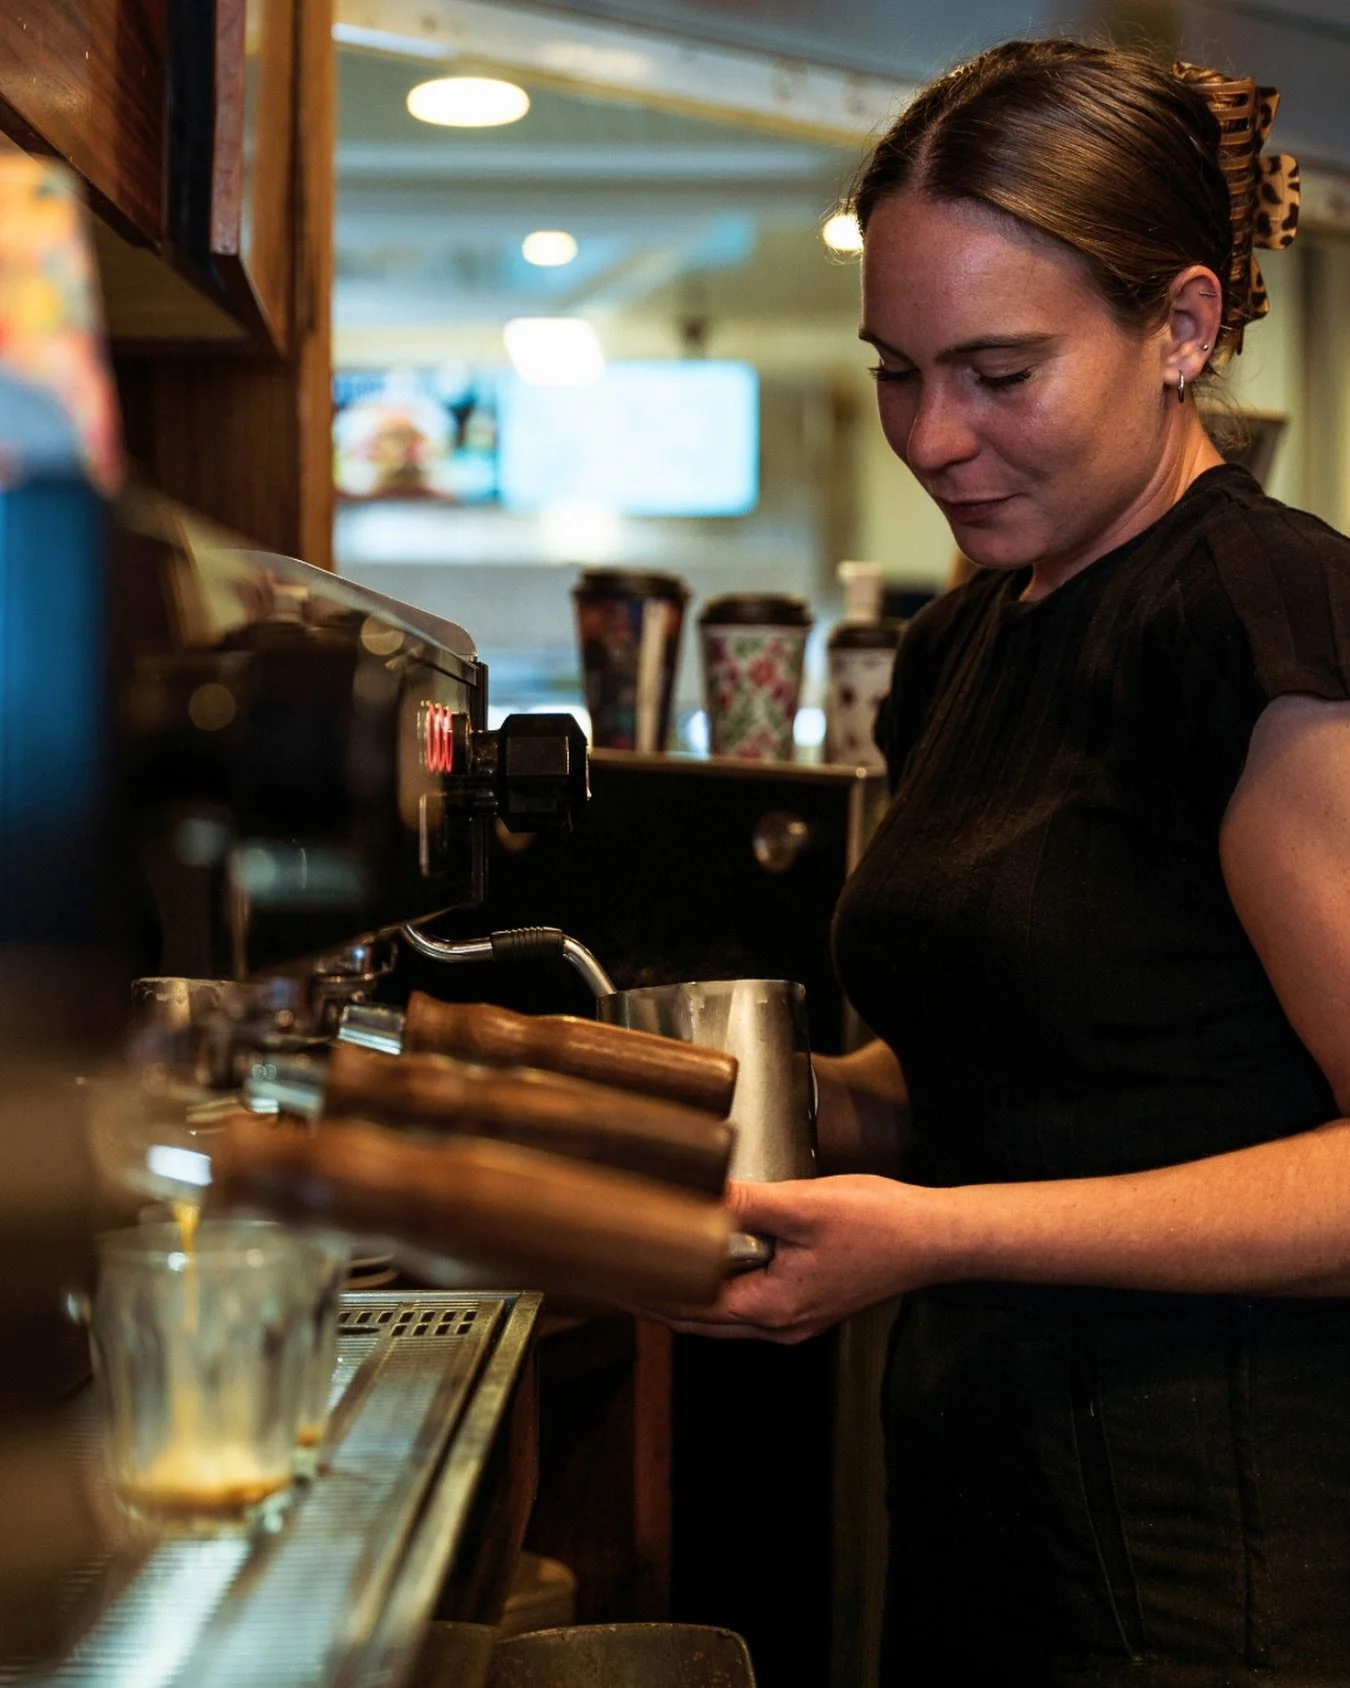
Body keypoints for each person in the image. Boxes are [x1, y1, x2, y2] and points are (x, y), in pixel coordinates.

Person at [670, 38, 1350, 1685]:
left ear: (1179, 329)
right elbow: (1036, 1060)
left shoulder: (1258, 624)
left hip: (1210, 1546)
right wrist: (765, 1103)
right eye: (895, 369)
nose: (932, 436)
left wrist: (942, 1233)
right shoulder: (968, 635)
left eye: (997, 372)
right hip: (989, 1502)